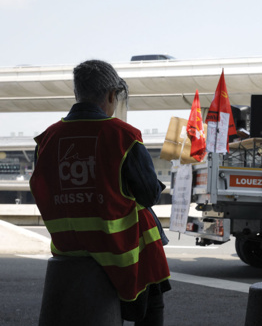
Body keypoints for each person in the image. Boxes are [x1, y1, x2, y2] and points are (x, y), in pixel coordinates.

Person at [30, 59, 171, 325]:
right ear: (110, 95)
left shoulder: (46, 139)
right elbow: (149, 195)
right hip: (119, 254)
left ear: (76, 94)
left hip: (66, 249)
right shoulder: (123, 136)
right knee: (154, 297)